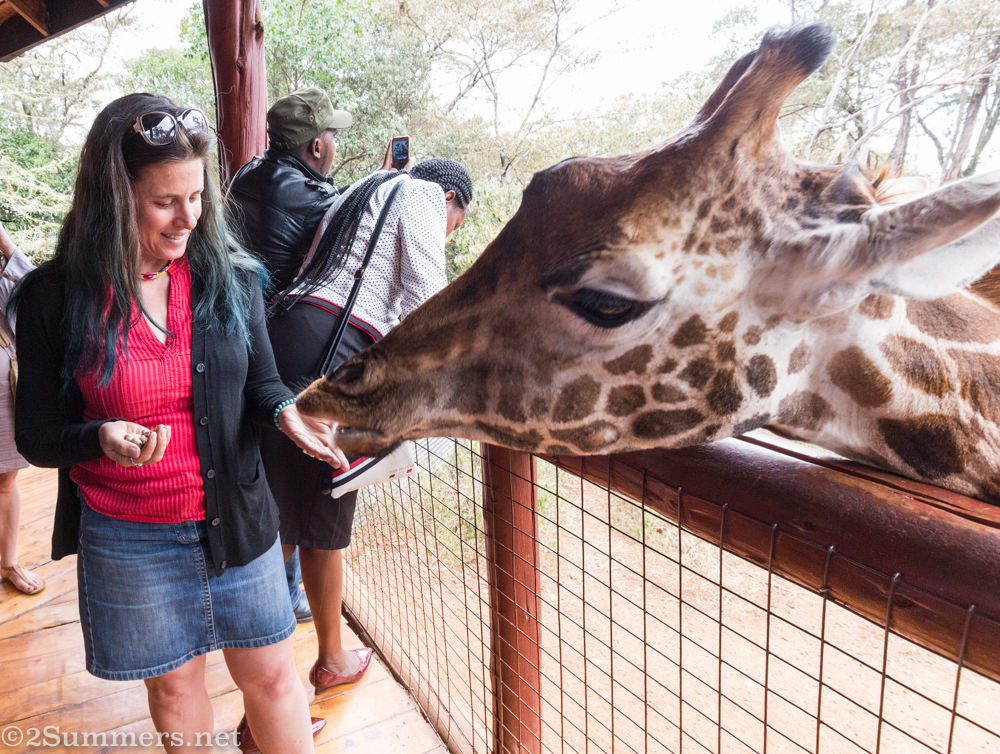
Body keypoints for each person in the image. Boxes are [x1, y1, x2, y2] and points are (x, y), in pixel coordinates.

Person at [12, 93, 349, 754]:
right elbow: (36, 437)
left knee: (275, 681)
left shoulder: (232, 277)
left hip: (238, 518)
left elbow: (262, 384)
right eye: (165, 201)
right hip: (130, 540)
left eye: (197, 197)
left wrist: (286, 412)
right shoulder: (53, 300)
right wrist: (98, 437)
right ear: (113, 197)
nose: (187, 218)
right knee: (171, 691)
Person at [262, 157, 472, 696]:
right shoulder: (424, 194)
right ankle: (266, 708)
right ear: (452, 199)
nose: (448, 235)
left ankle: (330, 656)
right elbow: (426, 294)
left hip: (293, 330)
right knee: (291, 519)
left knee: (318, 503)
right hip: (337, 343)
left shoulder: (361, 188)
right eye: (457, 226)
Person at [228, 86, 356, 621]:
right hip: (280, 346)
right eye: (331, 135)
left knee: (268, 469)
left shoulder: (248, 174)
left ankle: (281, 595)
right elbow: (354, 218)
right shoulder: (304, 193)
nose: (333, 144)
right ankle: (276, 604)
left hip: (241, 339)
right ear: (317, 146)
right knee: (296, 478)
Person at [0, 220, 43, 595]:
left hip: (4, 391)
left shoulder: (5, 274)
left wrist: (5, 242)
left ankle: (9, 561)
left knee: (4, 481)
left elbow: (36, 287)